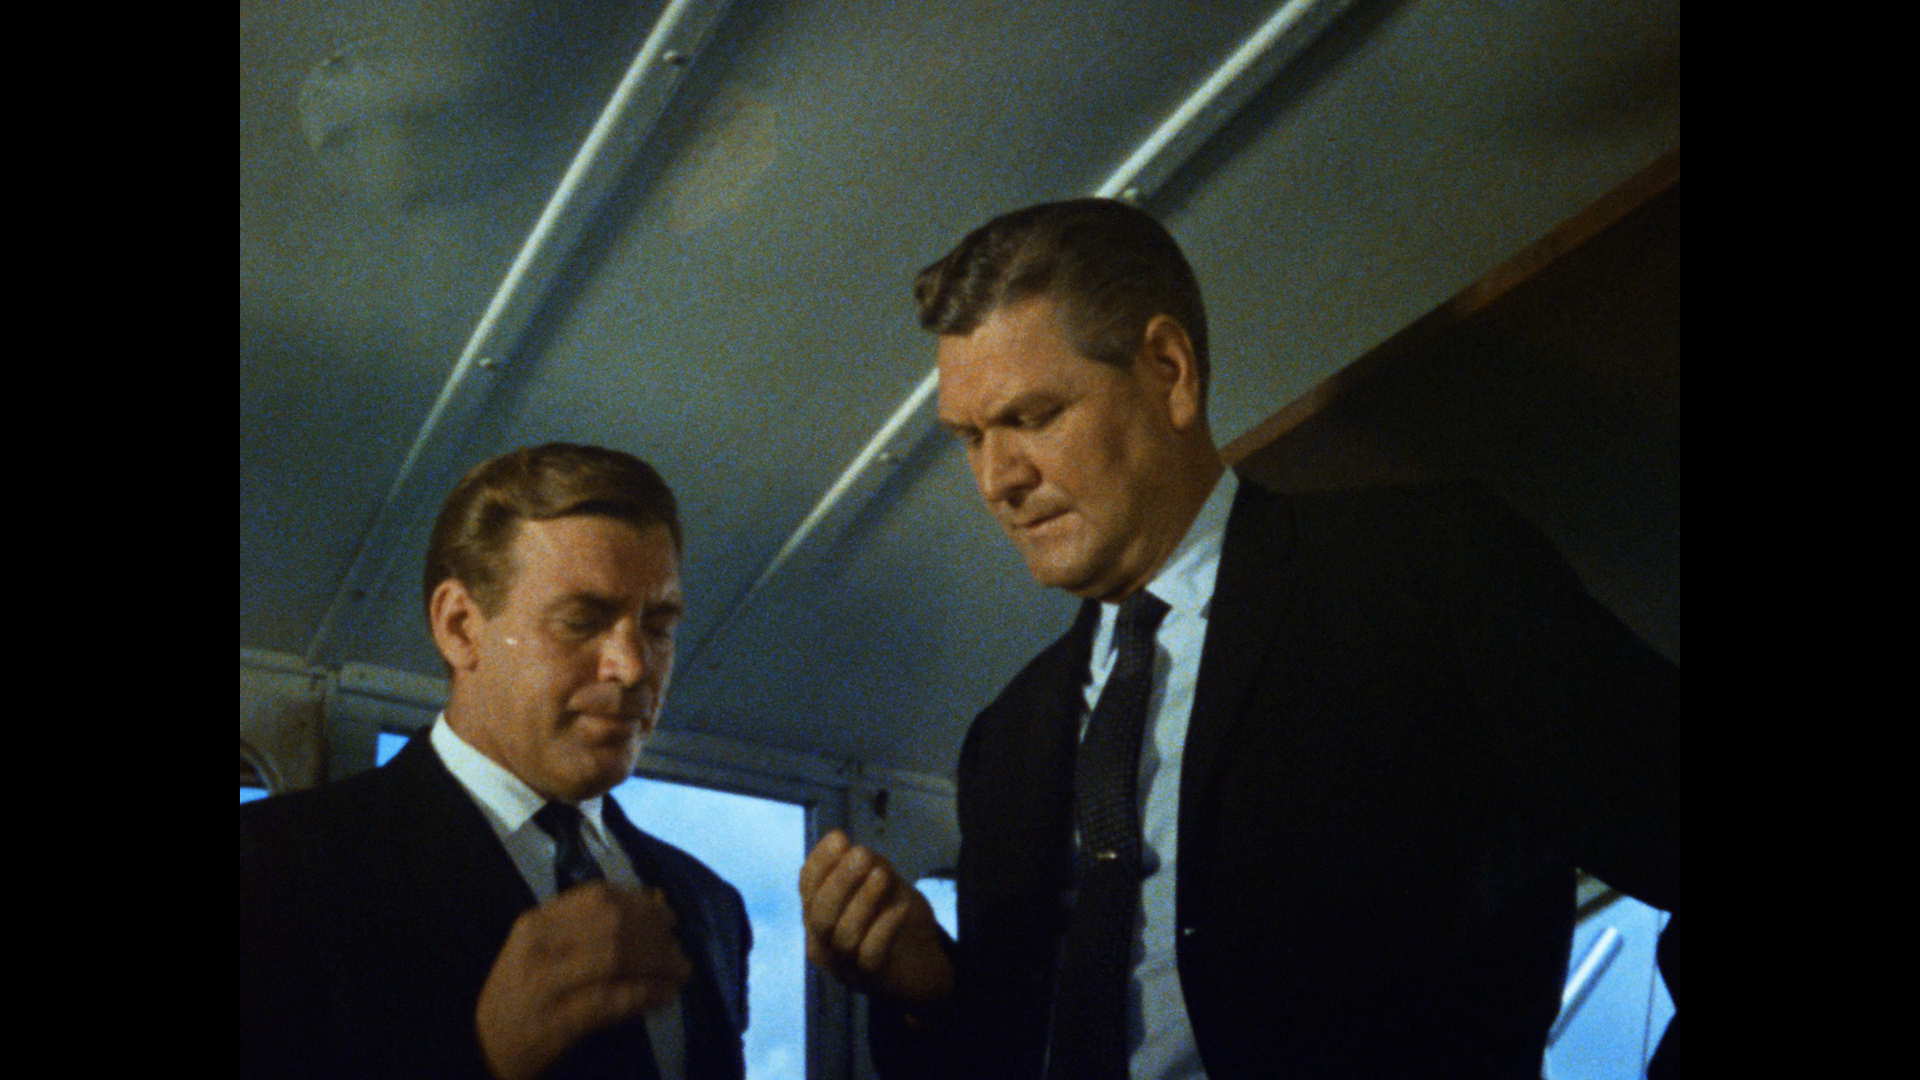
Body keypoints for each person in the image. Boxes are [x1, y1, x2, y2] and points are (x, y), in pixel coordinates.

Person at [798, 199, 1679, 1079]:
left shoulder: (1430, 575)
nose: (998, 479)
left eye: (1033, 416)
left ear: (1170, 372)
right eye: (969, 437)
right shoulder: (1003, 745)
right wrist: (929, 995)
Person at [241, 443, 750, 1080]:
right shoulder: (273, 870)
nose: (632, 666)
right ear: (459, 626)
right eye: (582, 620)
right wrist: (484, 1058)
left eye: (657, 626)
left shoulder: (711, 907)